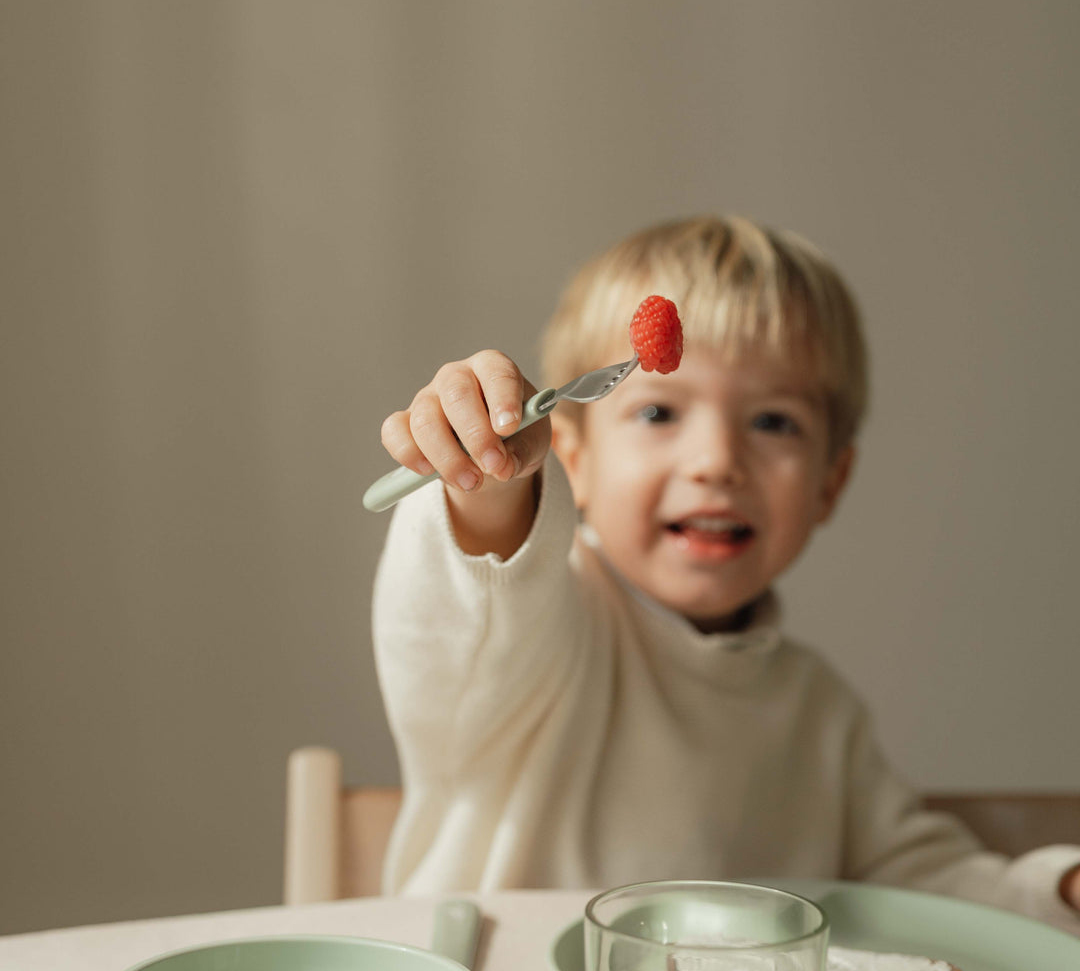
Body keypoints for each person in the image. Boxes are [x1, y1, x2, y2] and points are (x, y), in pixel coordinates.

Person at [372, 214, 1080, 925]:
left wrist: (1057, 892)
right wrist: (493, 480)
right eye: (657, 413)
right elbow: (480, 598)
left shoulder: (816, 711)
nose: (716, 461)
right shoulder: (544, 635)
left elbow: (912, 882)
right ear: (574, 462)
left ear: (830, 482)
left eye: (773, 422)